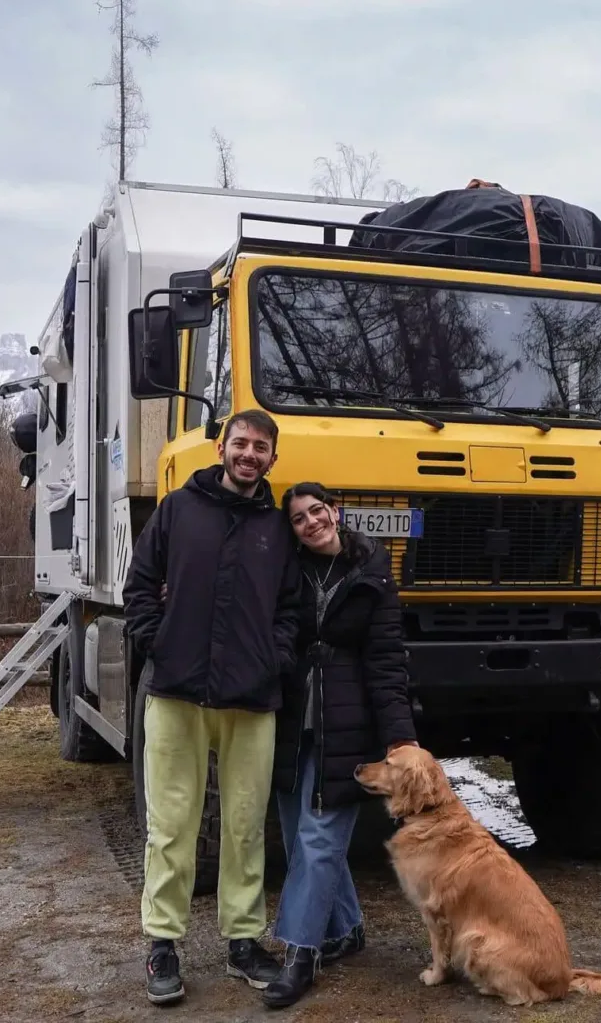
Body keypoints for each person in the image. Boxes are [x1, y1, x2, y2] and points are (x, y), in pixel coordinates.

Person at [122, 409, 301, 1006]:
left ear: (273, 459)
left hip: (251, 697)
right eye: (241, 443)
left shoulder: (278, 529)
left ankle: (244, 942)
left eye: (261, 448)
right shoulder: (177, 511)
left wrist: (272, 658)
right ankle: (163, 945)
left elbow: (291, 610)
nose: (250, 454)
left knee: (247, 825)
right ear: (222, 446)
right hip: (176, 691)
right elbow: (140, 584)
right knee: (171, 826)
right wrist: (157, 639)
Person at [262, 482, 418, 1009]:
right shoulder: (289, 571)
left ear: (336, 511)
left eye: (317, 511)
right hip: (289, 721)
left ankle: (299, 953)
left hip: (349, 725)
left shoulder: (372, 572)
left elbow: (387, 662)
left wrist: (399, 737)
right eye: (299, 518)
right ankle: (347, 928)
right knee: (297, 832)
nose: (311, 522)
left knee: (321, 839)